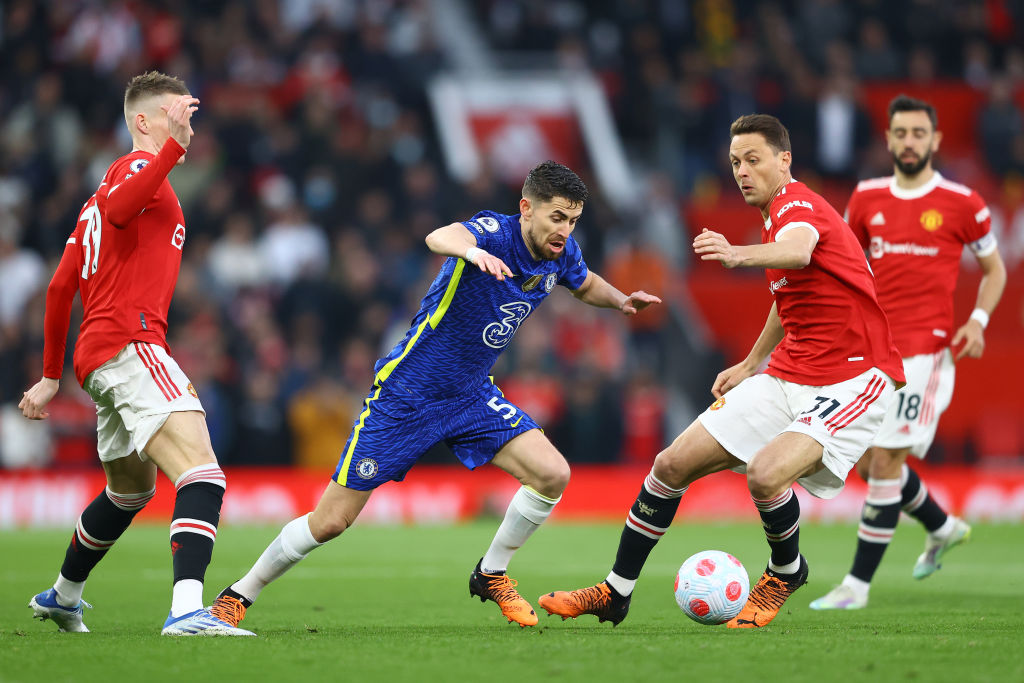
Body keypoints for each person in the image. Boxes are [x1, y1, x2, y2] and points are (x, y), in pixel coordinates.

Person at [207, 161, 661, 630]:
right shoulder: (494, 233)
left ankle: (491, 574)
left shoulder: (560, 253)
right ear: (526, 208)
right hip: (408, 394)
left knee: (552, 474)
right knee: (330, 521)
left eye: (573, 220)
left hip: (470, 396)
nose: (565, 230)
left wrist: (621, 300)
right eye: (557, 217)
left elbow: (585, 283)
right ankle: (236, 596)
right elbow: (439, 236)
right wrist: (473, 253)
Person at [538, 114, 906, 629]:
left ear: (785, 160)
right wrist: (753, 362)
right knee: (670, 466)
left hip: (853, 378)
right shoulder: (775, 217)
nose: (742, 171)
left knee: (766, 475)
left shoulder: (796, 204)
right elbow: (789, 294)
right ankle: (615, 592)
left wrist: (736, 254)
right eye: (735, 162)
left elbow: (799, 249)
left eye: (754, 159)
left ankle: (786, 571)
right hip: (790, 373)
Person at [20, 71, 253, 636]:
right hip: (131, 342)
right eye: (175, 115)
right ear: (143, 121)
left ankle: (63, 595)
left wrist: (51, 375)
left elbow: (60, 287)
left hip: (100, 354)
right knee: (203, 473)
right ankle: (186, 611)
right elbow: (124, 208)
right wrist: (170, 151)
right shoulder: (134, 171)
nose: (186, 125)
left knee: (129, 491)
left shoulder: (93, 204)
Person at [810, 95, 1006, 611]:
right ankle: (942, 527)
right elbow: (843, 266)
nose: (910, 142)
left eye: (919, 133)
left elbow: (995, 270)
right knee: (869, 462)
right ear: (889, 139)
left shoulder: (963, 203)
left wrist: (978, 321)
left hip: (927, 353)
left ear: (936, 139)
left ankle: (856, 586)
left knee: (885, 460)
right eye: (901, 133)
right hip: (874, 353)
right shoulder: (866, 198)